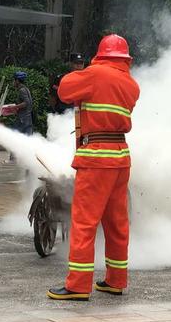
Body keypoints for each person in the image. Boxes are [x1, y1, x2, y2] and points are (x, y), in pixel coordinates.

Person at [47, 35, 140, 301]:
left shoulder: (96, 73)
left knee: (85, 222)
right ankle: (115, 280)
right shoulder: (131, 84)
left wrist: (81, 71)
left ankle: (77, 285)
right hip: (121, 156)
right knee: (117, 223)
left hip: (96, 156)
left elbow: (65, 89)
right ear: (125, 58)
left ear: (101, 55)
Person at [6, 71, 33, 163]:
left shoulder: (22, 90)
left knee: (13, 135)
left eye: (14, 80)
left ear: (17, 80)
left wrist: (15, 107)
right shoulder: (26, 89)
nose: (13, 82)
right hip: (27, 118)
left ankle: (13, 158)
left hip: (22, 119)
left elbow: (27, 103)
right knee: (28, 138)